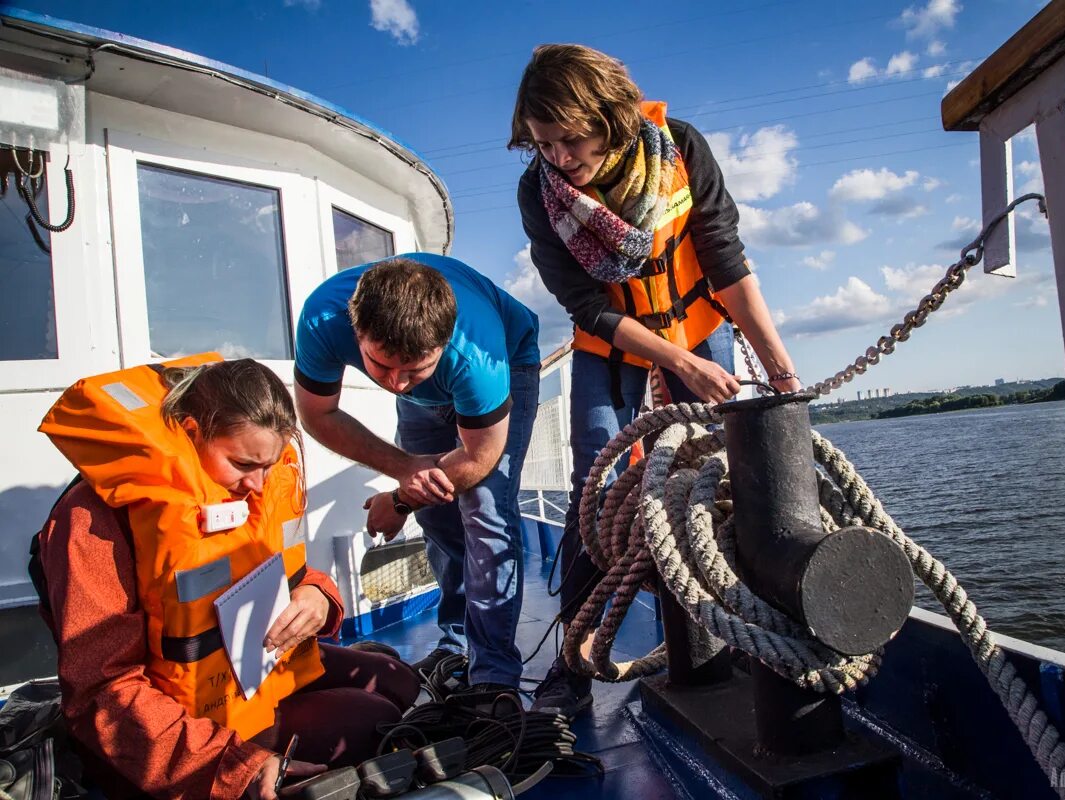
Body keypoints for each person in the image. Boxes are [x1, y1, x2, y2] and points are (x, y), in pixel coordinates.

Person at [510, 44, 804, 717]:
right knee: (600, 492)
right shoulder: (539, 194)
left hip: (701, 329)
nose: (558, 157)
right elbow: (586, 306)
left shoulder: (682, 148)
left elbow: (726, 259)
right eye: (542, 143)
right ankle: (573, 664)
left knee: (720, 480)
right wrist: (673, 362)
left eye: (571, 138)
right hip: (609, 347)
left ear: (609, 113)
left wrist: (780, 370)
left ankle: (742, 639)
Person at [32, 355, 420, 799]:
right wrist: (234, 768)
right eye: (242, 465)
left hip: (260, 674)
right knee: (369, 722)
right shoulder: (90, 519)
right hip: (177, 725)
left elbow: (290, 574)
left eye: (269, 466)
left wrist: (318, 594)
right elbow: (101, 694)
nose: (257, 485)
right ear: (192, 431)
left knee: (398, 680)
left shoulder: (254, 487)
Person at [293, 253, 540, 695]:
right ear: (357, 332)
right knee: (439, 519)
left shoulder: (475, 355)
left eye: (414, 370)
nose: (396, 384)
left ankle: (493, 676)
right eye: (380, 365)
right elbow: (318, 415)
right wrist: (405, 468)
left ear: (443, 344)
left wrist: (401, 498)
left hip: (511, 358)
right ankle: (456, 643)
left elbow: (480, 457)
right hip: (432, 393)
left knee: (486, 515)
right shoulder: (323, 318)